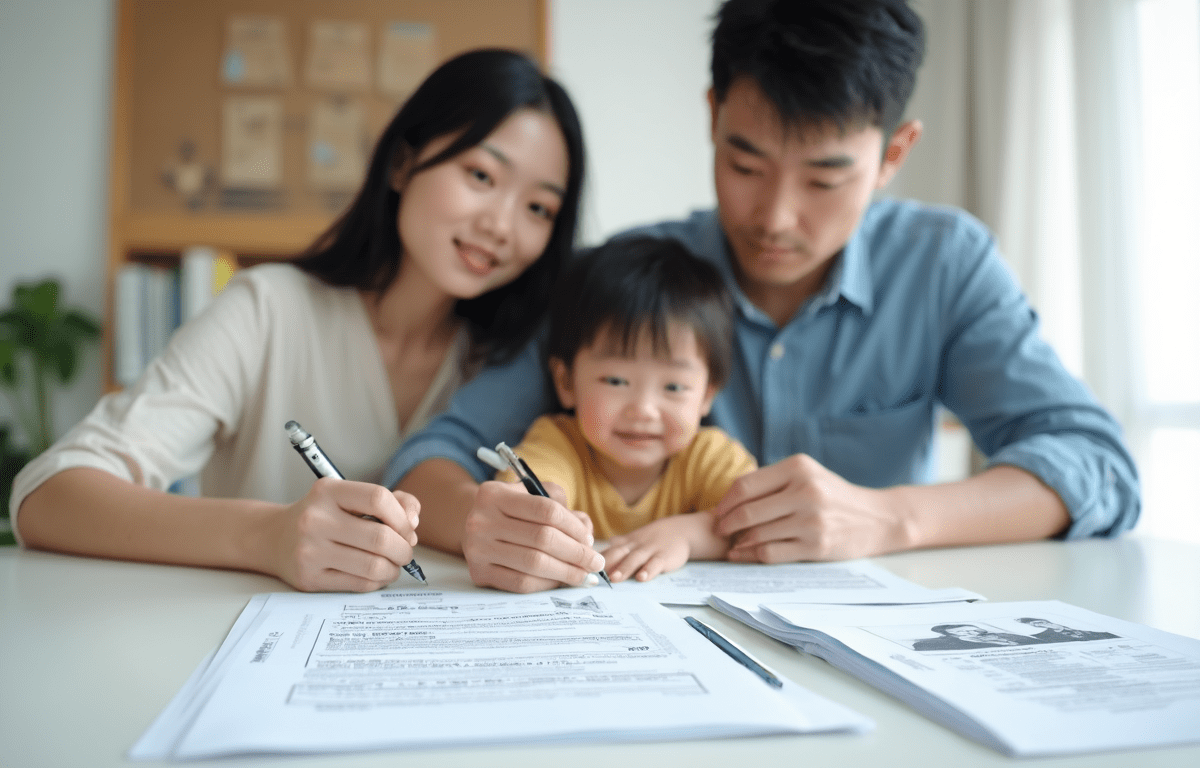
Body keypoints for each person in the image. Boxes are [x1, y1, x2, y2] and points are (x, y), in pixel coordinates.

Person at [388, 0, 1140, 594]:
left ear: (894, 155)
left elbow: (1094, 464)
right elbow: (433, 456)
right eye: (745, 163)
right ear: (713, 117)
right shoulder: (629, 278)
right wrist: (481, 522)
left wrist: (889, 517)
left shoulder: (944, 264)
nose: (776, 217)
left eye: (823, 179)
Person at [11, 49, 585, 593]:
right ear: (403, 163)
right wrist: (267, 536)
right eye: (482, 176)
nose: (502, 226)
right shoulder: (269, 309)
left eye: (539, 208)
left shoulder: (515, 363)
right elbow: (49, 497)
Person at [493, 237, 757, 583]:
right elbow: (525, 491)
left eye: (674, 387)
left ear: (707, 395)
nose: (643, 410)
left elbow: (756, 526)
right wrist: (540, 509)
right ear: (566, 382)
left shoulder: (710, 458)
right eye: (616, 381)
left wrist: (688, 535)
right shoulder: (559, 443)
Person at [912, 624, 1041, 652]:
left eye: (974, 630)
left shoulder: (1012, 636)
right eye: (964, 632)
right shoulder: (937, 645)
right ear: (952, 635)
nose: (972, 633)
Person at [1014, 618, 1119, 643]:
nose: (1038, 624)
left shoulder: (1074, 622)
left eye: (1038, 622)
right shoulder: (1049, 635)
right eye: (1035, 625)